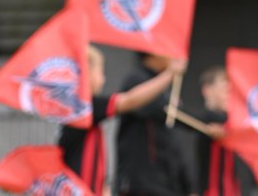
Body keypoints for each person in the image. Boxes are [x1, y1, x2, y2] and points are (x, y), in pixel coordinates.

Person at [58, 46, 186, 196]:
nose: (103, 79)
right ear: (85, 73)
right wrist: (169, 74)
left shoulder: (77, 109)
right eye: (100, 72)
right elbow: (129, 100)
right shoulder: (84, 107)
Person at [115, 52, 195, 196]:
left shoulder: (163, 89)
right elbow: (162, 110)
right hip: (143, 182)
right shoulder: (136, 79)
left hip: (167, 183)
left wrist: (187, 185)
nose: (172, 56)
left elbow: (172, 142)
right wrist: (169, 74)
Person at [191, 65, 252, 196]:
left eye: (231, 90)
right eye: (224, 89)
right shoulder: (199, 120)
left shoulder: (238, 122)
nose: (229, 95)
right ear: (207, 90)